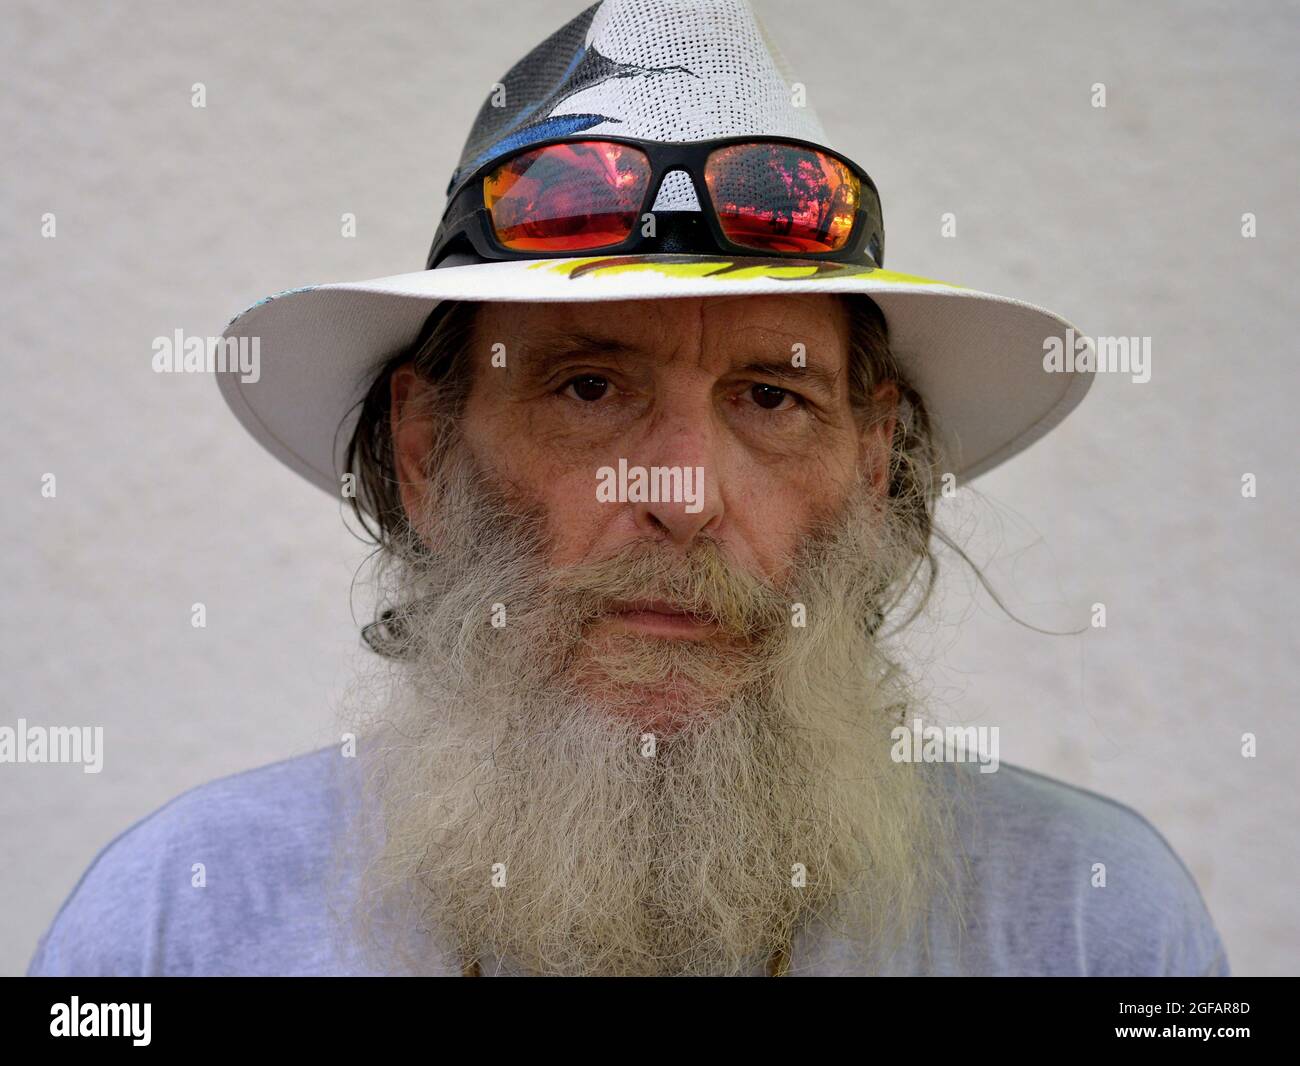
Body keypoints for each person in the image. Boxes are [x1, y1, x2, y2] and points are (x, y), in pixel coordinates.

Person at [28, 0, 1227, 977]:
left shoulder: (1086, 919)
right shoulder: (175, 928)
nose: (684, 492)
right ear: (424, 455)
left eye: (771, 397)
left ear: (871, 466)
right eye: (588, 388)